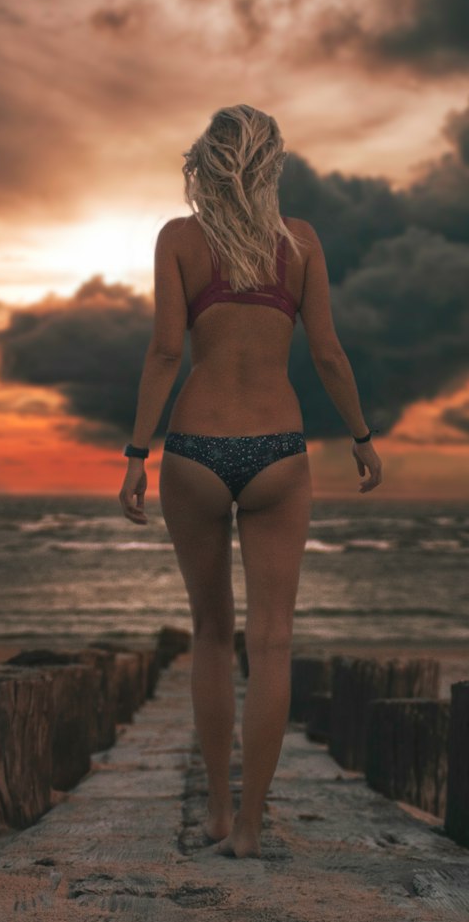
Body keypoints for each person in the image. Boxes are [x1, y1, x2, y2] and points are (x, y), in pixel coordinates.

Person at [118, 104, 382, 858]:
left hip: (195, 450)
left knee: (209, 633)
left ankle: (214, 813)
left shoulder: (179, 240)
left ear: (206, 162)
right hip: (278, 451)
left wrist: (138, 452)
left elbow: (166, 354)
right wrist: (360, 435)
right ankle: (254, 824)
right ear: (272, 164)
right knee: (270, 644)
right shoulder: (299, 244)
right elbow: (328, 353)